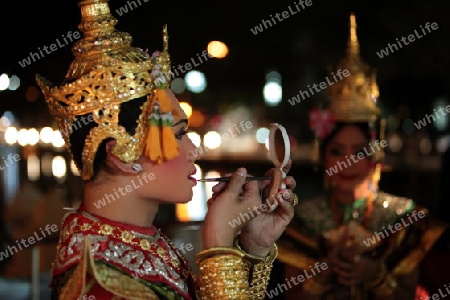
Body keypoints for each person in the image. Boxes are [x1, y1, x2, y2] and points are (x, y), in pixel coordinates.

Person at [35, 0, 298, 299]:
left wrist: (251, 245)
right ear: (121, 155)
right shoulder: (101, 285)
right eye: (179, 134)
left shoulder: (133, 237)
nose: (194, 151)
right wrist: (218, 246)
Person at [273, 14, 448, 300]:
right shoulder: (300, 220)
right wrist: (320, 277)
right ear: (323, 157)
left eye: (360, 152)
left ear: (375, 156)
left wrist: (375, 276)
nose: (348, 161)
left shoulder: (403, 218)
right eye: (337, 151)